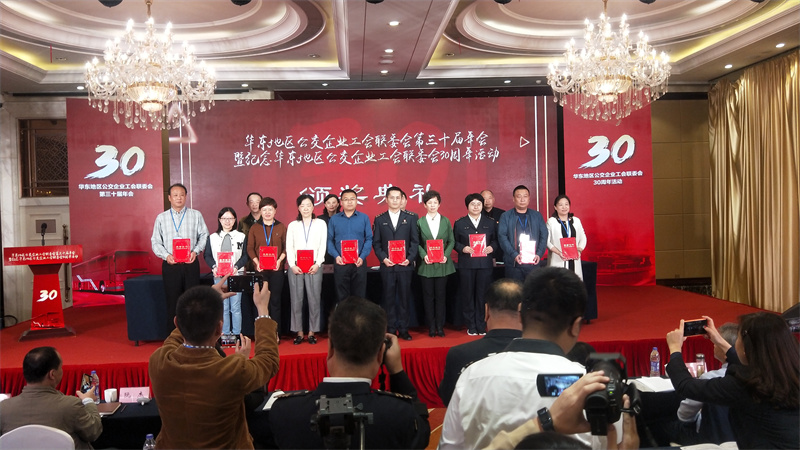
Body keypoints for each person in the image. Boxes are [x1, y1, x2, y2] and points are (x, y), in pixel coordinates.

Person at [439, 267, 605, 449]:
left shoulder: (472, 375)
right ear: (576, 325)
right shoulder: (589, 386)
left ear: (520, 313)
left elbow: (449, 446)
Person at [268, 296, 430, 449]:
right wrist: (397, 372)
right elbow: (421, 433)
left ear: (330, 348)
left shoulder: (283, 412)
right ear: (381, 354)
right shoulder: (400, 414)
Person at [149, 279, 279, 449]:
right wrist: (262, 310)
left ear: (176, 323)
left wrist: (206, 300)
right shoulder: (231, 370)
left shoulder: (159, 361)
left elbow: (175, 337)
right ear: (219, 329)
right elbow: (268, 360)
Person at [665, 313, 800, 449]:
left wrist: (675, 348)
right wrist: (719, 340)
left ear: (747, 348)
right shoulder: (789, 372)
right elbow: (742, 362)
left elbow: (685, 386)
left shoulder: (745, 384)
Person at [438, 278, 522, 406]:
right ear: (525, 311)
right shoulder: (543, 355)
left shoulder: (459, 355)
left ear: (486, 311)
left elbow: (450, 400)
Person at [0, 347, 102, 449]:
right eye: (61, 367)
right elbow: (93, 432)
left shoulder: (3, 409)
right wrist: (88, 401)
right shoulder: (70, 406)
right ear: (52, 374)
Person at [151, 183, 209, 331]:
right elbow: (155, 241)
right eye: (175, 195)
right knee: (173, 301)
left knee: (192, 301)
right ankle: (174, 336)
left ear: (186, 197)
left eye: (182, 195)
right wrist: (166, 255)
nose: (179, 198)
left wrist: (195, 251)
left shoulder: (196, 215)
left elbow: (204, 235)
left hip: (190, 263)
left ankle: (193, 335)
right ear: (169, 198)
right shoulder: (161, 218)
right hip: (171, 265)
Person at [373, 186, 419, 340]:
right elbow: (376, 243)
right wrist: (383, 258)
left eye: (397, 197)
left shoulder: (411, 217)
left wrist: (410, 258)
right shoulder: (380, 219)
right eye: (391, 197)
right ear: (386, 199)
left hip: (405, 265)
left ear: (402, 200)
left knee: (405, 298)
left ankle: (404, 329)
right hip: (388, 266)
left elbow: (415, 241)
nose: (394, 200)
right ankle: (391, 329)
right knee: (389, 299)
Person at [453, 193, 499, 335]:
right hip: (467, 264)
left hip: (484, 264)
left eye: (479, 204)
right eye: (472, 204)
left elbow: (496, 241)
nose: (476, 207)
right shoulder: (460, 223)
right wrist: (463, 248)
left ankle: (481, 324)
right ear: (467, 206)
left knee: (482, 296)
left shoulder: (490, 222)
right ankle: (471, 325)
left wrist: (492, 247)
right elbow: (454, 242)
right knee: (468, 295)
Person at [285, 194, 327, 345]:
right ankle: (299, 332)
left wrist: (318, 263)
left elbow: (322, 245)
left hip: (314, 266)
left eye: (308, 205)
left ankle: (311, 332)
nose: (306, 208)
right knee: (296, 300)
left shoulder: (320, 223)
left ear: (313, 207)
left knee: (314, 299)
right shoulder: (293, 225)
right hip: (296, 267)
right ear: (298, 208)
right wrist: (292, 264)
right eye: (302, 206)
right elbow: (289, 246)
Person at [203, 207, 248, 344]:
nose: (227, 221)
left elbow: (245, 255)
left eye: (230, 218)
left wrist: (236, 267)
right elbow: (207, 255)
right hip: (219, 276)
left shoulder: (241, 236)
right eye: (224, 218)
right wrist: (214, 267)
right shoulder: (212, 237)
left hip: (236, 275)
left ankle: (237, 334)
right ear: (219, 220)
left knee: (236, 306)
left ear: (235, 220)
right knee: (223, 306)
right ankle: (225, 334)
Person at [416, 190, 455, 337]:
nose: (432, 205)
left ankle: (440, 326)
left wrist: (446, 255)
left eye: (435, 202)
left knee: (441, 296)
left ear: (439, 204)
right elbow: (416, 243)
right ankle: (431, 327)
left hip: (443, 264)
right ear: (424, 205)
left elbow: (451, 241)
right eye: (429, 202)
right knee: (428, 297)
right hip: (426, 265)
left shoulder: (445, 221)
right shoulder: (420, 222)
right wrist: (423, 255)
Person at [247, 197, 287, 336]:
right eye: (264, 209)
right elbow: (250, 248)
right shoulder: (255, 228)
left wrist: (279, 261)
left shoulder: (281, 227)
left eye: (270, 209)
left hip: (277, 270)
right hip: (260, 270)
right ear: (260, 211)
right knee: (261, 302)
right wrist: (257, 262)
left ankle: (275, 333)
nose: (267, 212)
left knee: (275, 302)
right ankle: (262, 333)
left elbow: (286, 247)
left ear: (275, 211)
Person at [327, 189, 373, 303]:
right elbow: (329, 240)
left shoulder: (364, 218)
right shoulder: (334, 219)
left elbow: (369, 238)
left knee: (359, 297)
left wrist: (362, 257)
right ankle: (344, 316)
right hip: (340, 263)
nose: (349, 202)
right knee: (342, 297)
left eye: (352, 199)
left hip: (359, 262)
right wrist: (336, 256)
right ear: (341, 202)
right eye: (346, 199)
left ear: (357, 201)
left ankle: (358, 316)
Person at [498, 185, 548, 281]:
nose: (522, 199)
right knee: (515, 289)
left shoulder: (537, 215)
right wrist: (514, 254)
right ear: (513, 199)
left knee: (532, 289)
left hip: (533, 262)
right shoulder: (505, 216)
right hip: (513, 263)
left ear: (529, 199)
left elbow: (544, 235)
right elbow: (502, 237)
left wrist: (539, 254)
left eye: (525, 196)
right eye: (519, 196)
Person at [546, 195, 587, 280]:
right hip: (558, 259)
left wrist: (579, 250)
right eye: (560, 205)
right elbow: (547, 241)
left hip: (575, 259)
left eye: (566, 204)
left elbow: (583, 237)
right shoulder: (551, 222)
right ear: (555, 207)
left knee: (574, 283)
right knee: (558, 283)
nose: (564, 207)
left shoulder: (576, 221)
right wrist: (559, 252)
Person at [318, 193, 340, 264]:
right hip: (324, 251)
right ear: (325, 204)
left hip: (339, 250)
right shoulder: (319, 219)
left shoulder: (343, 218)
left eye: (334, 202)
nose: (331, 205)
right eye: (328, 203)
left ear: (338, 204)